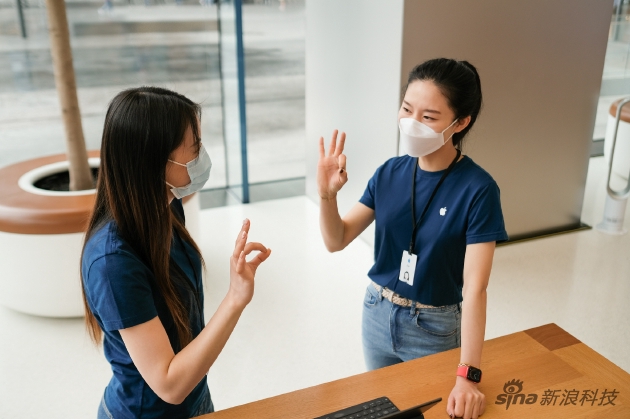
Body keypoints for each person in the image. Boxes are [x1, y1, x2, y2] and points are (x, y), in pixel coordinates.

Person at [317, 58, 508, 419]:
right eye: (407, 109)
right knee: (383, 409)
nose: (412, 123)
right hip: (376, 310)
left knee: (431, 411)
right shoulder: (389, 172)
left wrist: (468, 376)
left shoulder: (479, 189)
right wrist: (327, 197)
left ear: (461, 122)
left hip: (432, 327)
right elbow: (336, 239)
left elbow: (476, 289)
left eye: (429, 117)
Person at [81, 86, 271, 419]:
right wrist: (235, 298)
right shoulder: (112, 263)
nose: (201, 157)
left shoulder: (166, 207)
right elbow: (169, 384)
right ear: (155, 160)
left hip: (195, 400)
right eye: (194, 147)